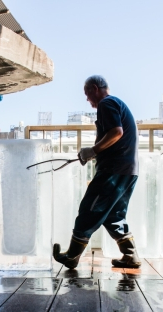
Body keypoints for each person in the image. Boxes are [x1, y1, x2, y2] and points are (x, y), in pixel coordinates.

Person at [53, 75, 140, 269]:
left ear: (95, 88)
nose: (87, 99)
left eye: (87, 94)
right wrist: (95, 154)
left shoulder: (106, 103)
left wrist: (93, 151)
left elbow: (116, 132)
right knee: (114, 215)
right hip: (129, 171)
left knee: (89, 209)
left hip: (114, 170)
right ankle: (130, 255)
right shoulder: (117, 103)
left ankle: (72, 256)